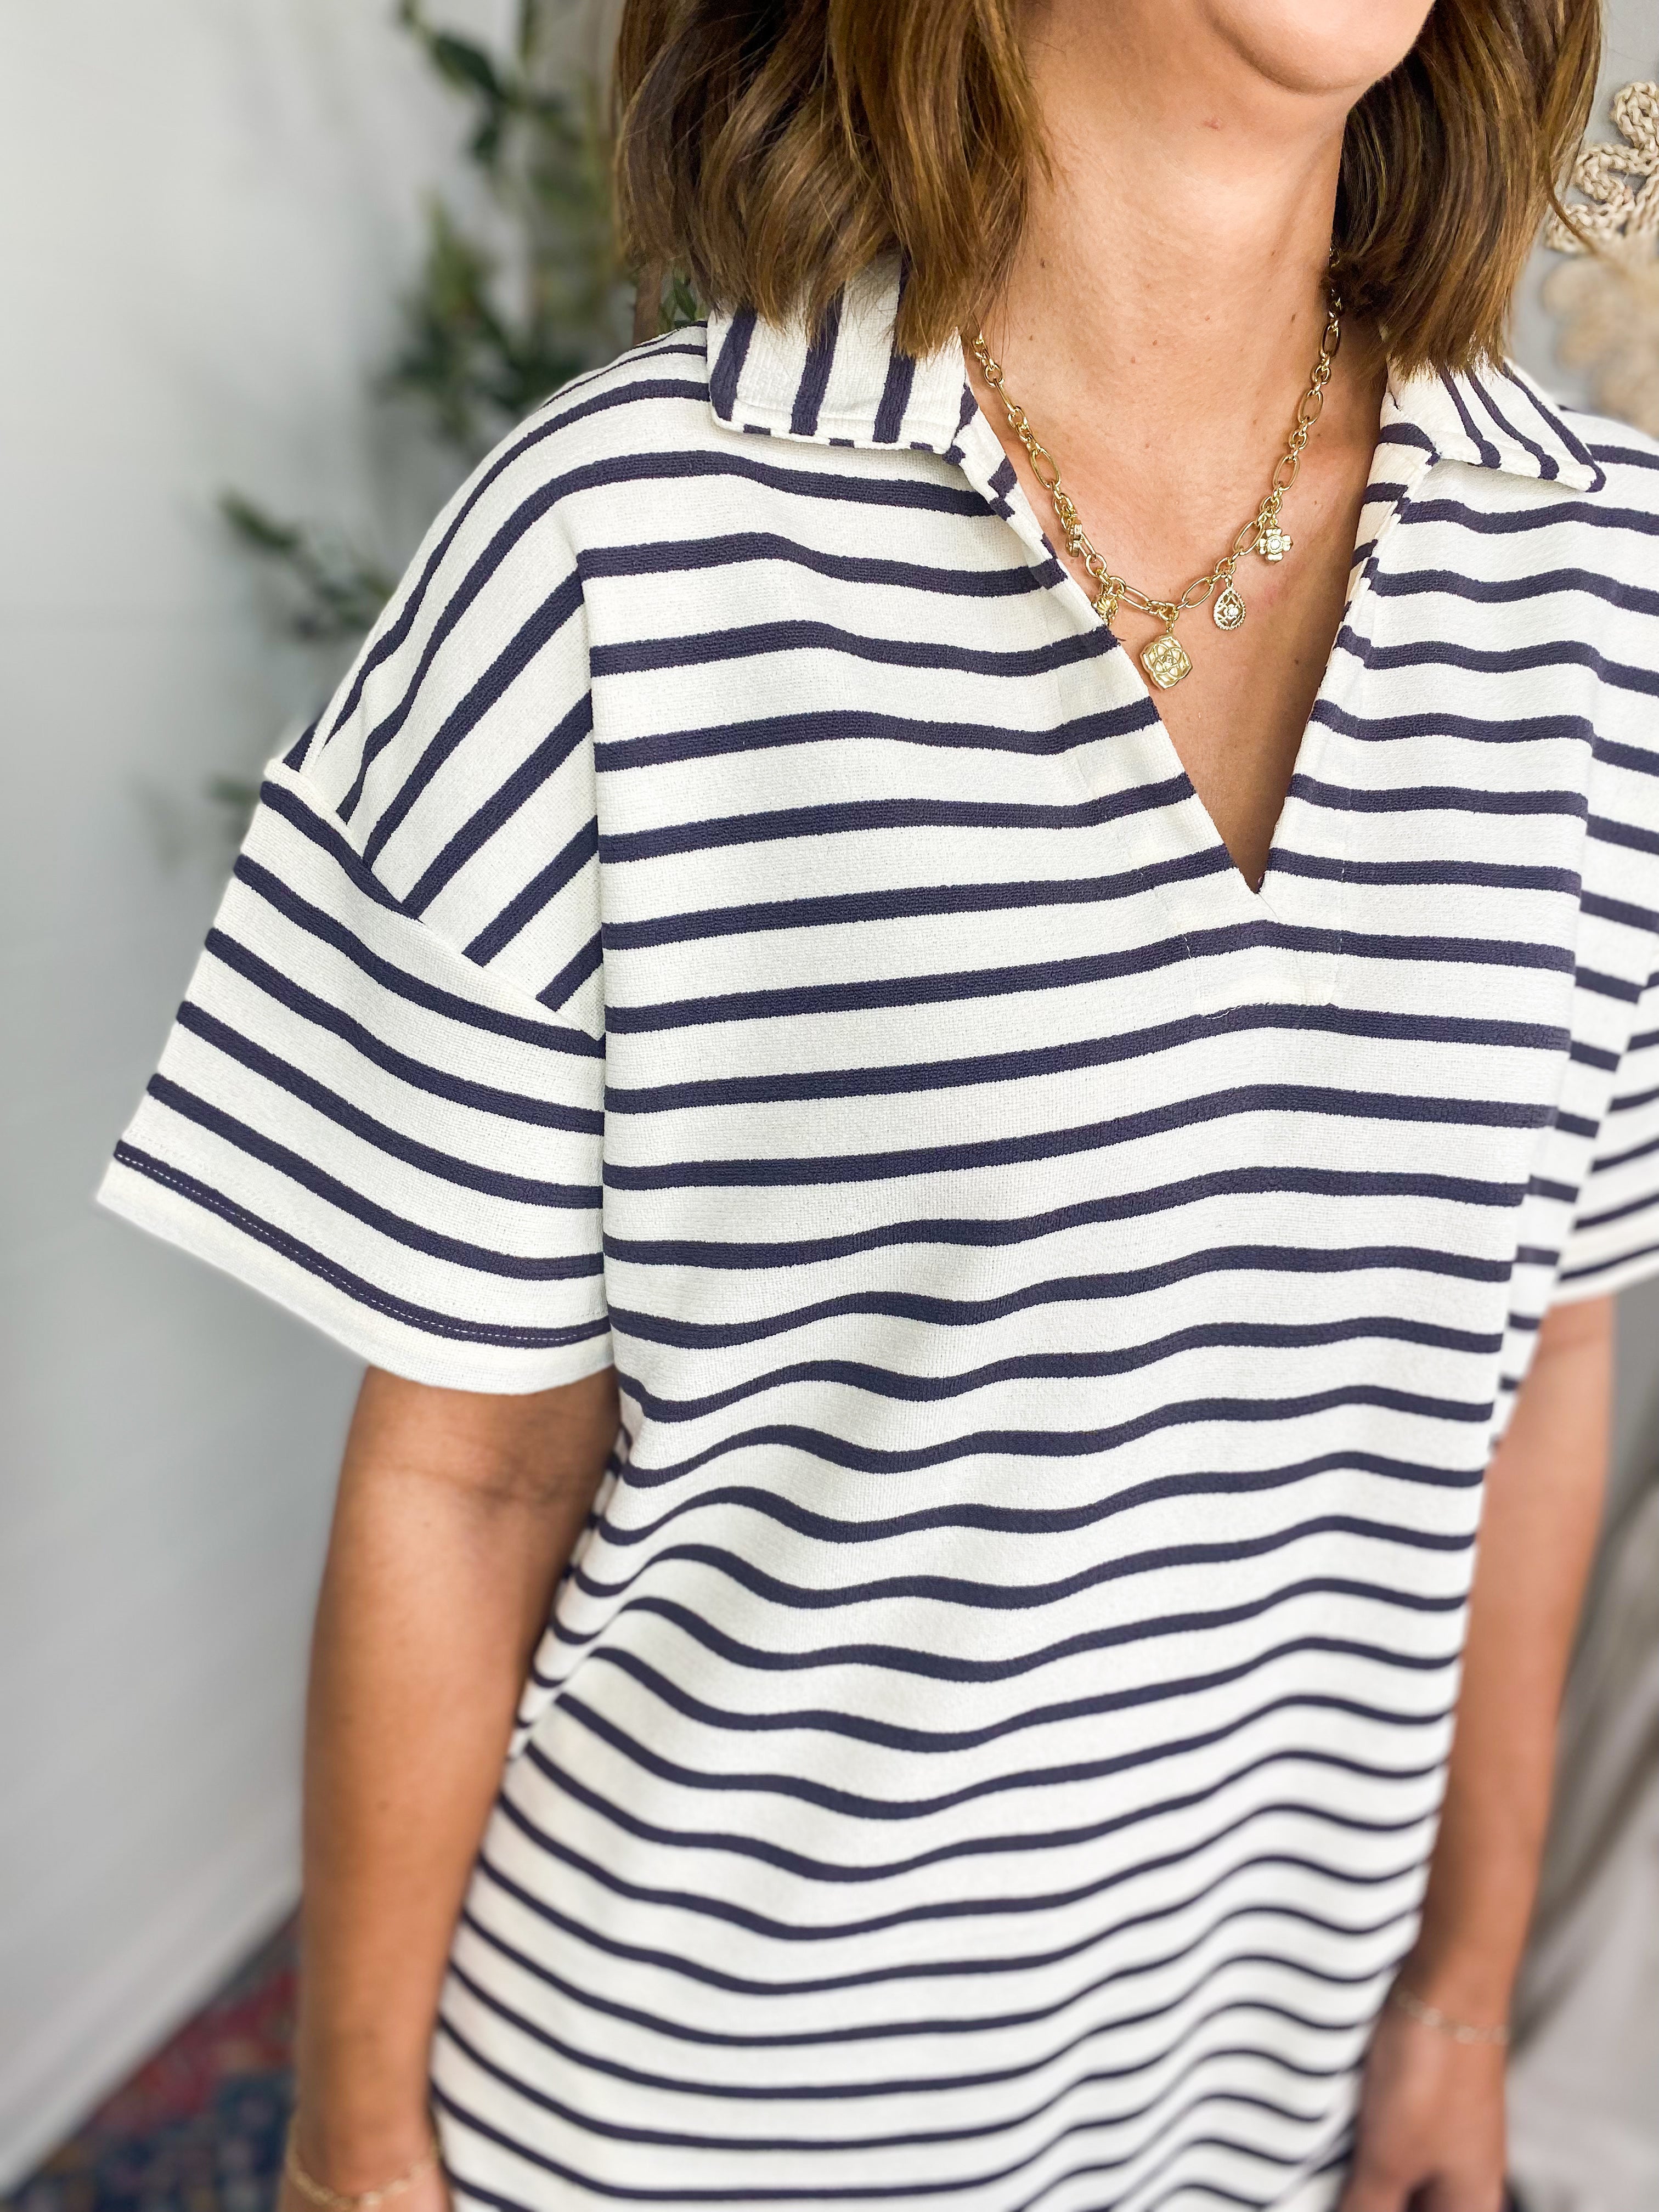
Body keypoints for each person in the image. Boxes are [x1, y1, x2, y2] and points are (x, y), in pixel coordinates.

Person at [99, 0, 1657, 2205]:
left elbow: (1545, 1356)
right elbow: (470, 1477)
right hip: (680, 2116)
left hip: (1243, 2102)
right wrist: (358, 2145)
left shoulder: (1607, 591)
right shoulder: (614, 553)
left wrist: (1463, 1995)